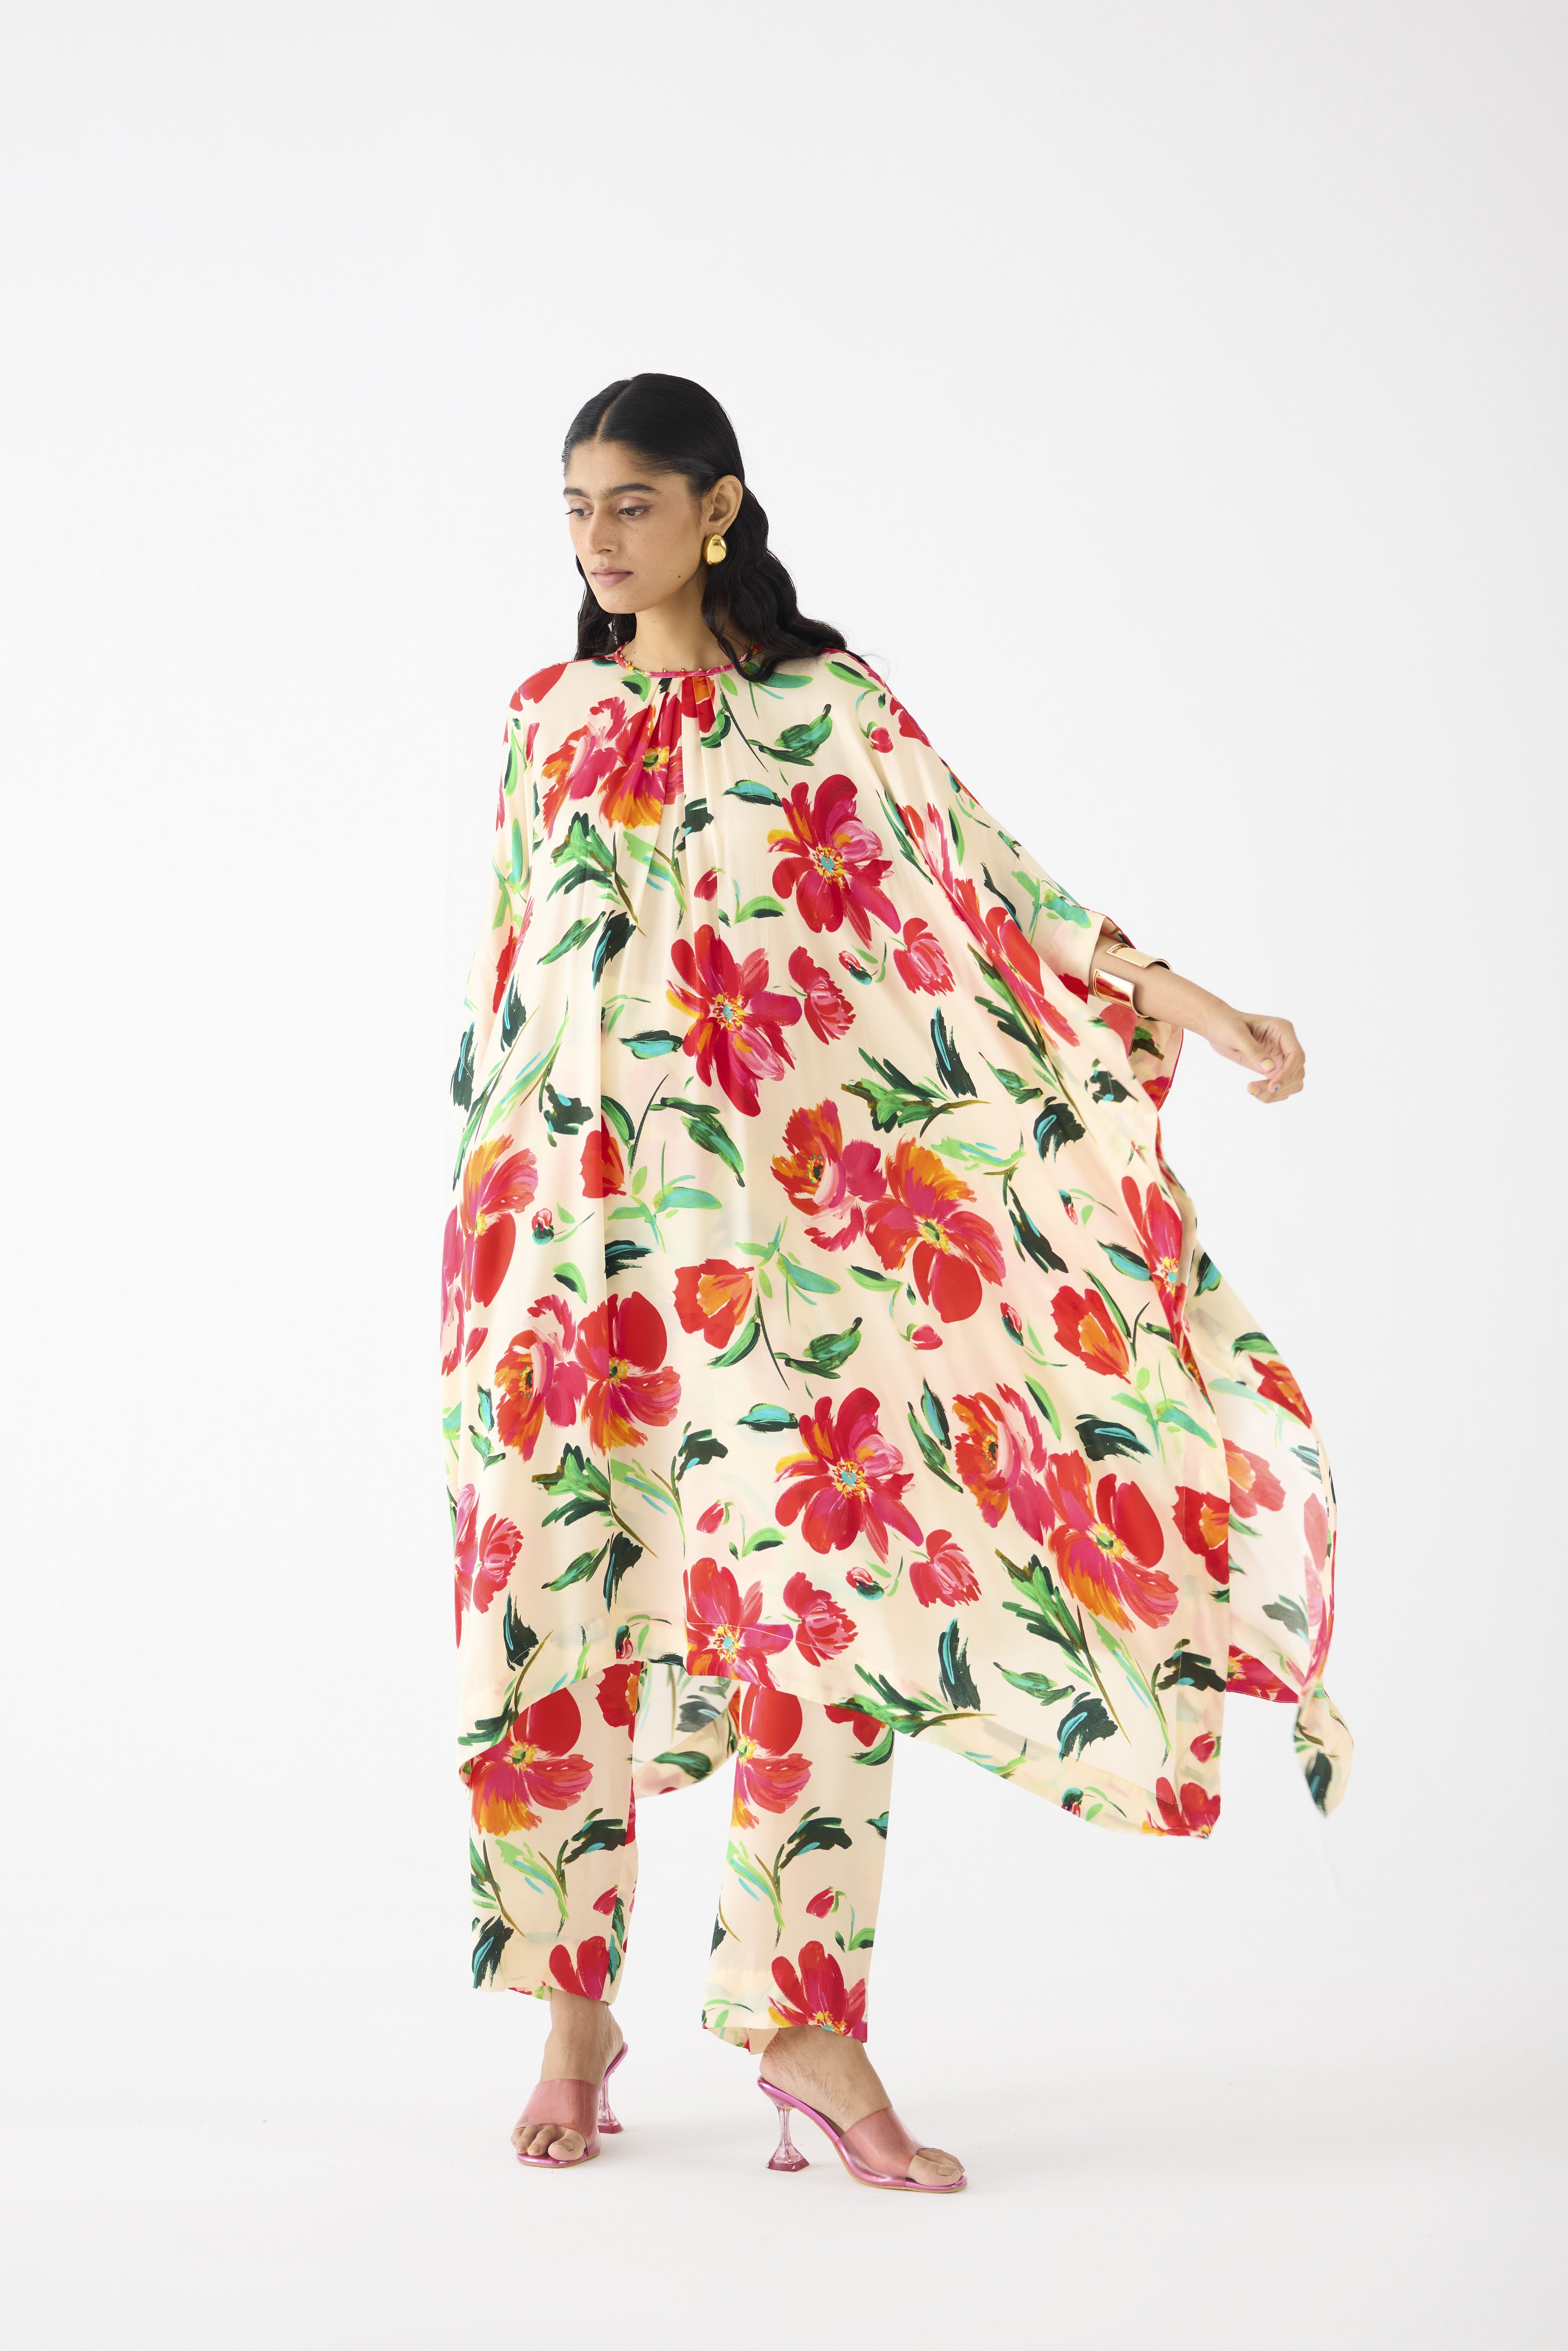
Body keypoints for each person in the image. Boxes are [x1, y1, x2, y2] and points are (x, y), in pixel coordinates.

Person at [441, 372, 1352, 2192]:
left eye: (632, 503)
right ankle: (573, 2013)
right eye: (575, 507)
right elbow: (505, 982)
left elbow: (989, 887)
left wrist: (1179, 997)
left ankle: (801, 2019)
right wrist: (484, 1224)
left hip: (780, 1260)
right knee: (562, 1602)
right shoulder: (546, 718)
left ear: (718, 507)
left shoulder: (827, 711)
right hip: (556, 1245)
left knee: (820, 1607)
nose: (598, 539)